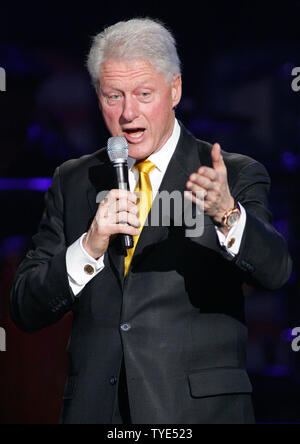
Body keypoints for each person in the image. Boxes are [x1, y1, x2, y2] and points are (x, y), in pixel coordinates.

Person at [10, 18, 292, 424]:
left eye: (144, 94)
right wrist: (88, 247)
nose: (128, 113)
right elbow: (24, 307)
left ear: (174, 89)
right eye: (113, 96)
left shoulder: (232, 174)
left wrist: (228, 215)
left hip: (197, 413)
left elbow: (277, 271)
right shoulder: (73, 180)